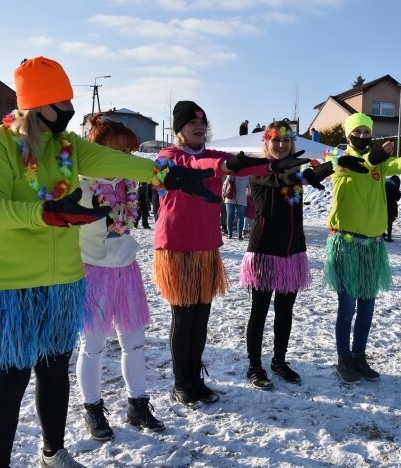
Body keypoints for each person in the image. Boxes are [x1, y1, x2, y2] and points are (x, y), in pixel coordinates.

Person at [0, 57, 213, 468]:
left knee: (54, 372)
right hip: (8, 284)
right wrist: (46, 214)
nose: (70, 110)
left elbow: (118, 161)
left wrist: (170, 174)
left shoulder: (67, 147)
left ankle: (53, 451)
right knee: (10, 379)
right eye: (61, 102)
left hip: (62, 281)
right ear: (36, 103)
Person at [154, 101, 308, 408]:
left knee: (201, 317)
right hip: (176, 246)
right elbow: (196, 167)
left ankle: (196, 379)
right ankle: (181, 382)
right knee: (183, 318)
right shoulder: (168, 156)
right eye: (191, 124)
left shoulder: (212, 155)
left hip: (207, 246)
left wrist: (270, 165)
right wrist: (223, 166)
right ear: (179, 129)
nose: (199, 128)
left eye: (202, 124)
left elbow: (241, 164)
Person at [241, 121, 368, 389]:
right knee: (259, 311)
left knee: (285, 310)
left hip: (292, 252)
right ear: (267, 142)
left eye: (286, 141)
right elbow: (287, 179)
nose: (281, 145)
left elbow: (298, 179)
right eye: (276, 140)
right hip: (265, 251)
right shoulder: (260, 170)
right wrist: (331, 165)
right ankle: (254, 365)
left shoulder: (294, 170)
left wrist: (318, 170)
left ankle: (279, 360)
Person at [325, 112, 401, 383]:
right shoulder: (339, 161)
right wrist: (375, 157)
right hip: (346, 244)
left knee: (367, 307)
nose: (361, 137)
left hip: (372, 247)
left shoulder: (380, 165)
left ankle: (359, 356)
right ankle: (343, 359)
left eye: (366, 133)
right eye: (356, 133)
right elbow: (355, 166)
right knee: (346, 308)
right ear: (348, 134)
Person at [75, 115, 164, 442]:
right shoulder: (79, 184)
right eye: (117, 152)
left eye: (129, 152)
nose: (125, 159)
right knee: (93, 346)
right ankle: (92, 407)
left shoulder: (129, 182)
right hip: (93, 271)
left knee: (134, 342)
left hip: (126, 269)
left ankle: (138, 404)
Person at [224, 173, 250, 240]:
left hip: (230, 197)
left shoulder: (232, 174)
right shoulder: (247, 176)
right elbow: (250, 191)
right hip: (242, 199)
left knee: (230, 216)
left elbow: (226, 184)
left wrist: (223, 194)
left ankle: (230, 234)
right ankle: (240, 235)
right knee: (240, 218)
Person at [383, 175, 401, 242]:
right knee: (390, 222)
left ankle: (382, 234)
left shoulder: (384, 185)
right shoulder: (395, 187)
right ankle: (389, 237)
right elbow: (397, 198)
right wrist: (400, 193)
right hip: (392, 207)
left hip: (384, 206)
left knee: (383, 221)